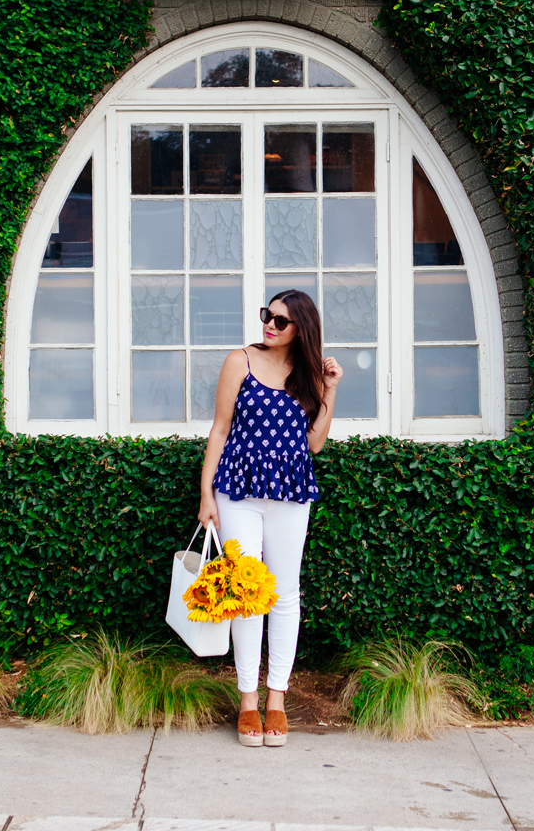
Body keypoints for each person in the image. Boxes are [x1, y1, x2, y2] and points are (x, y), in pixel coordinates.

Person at [198, 290, 343, 747]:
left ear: (301, 328)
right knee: (246, 593)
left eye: (281, 321)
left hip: (290, 494)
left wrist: (330, 391)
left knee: (283, 594)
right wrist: (206, 495)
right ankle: (247, 701)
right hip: (238, 491)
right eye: (268, 316)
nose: (270, 325)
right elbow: (220, 429)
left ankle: (276, 698)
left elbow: (315, 443)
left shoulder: (308, 374)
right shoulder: (238, 361)